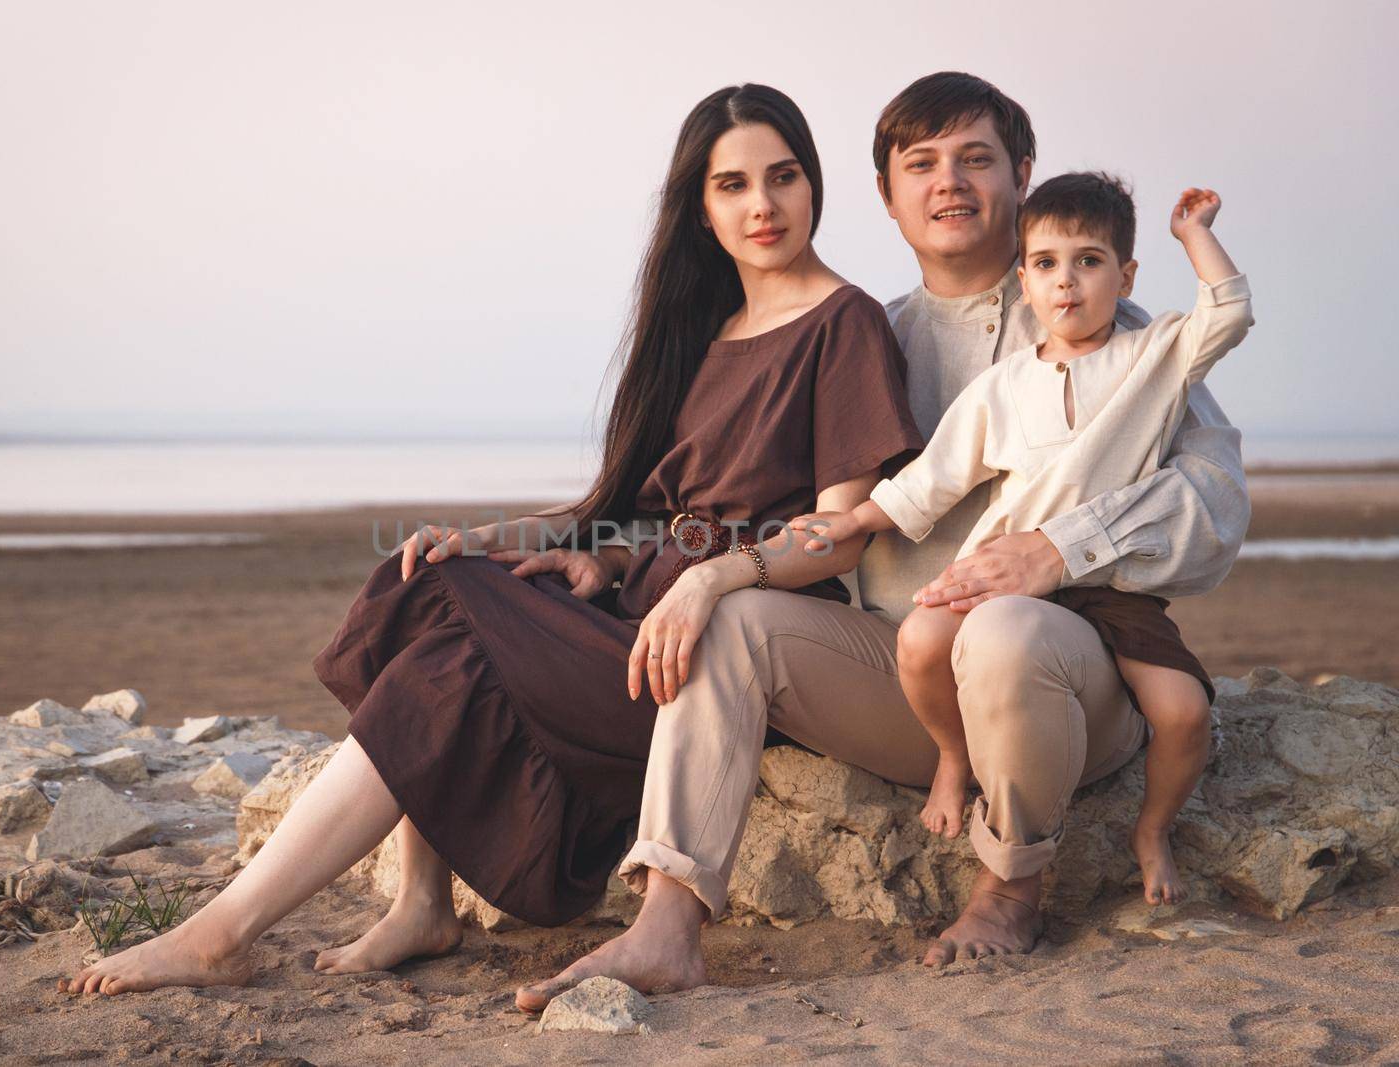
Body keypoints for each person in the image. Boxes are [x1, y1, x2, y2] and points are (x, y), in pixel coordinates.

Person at [63, 83, 921, 997]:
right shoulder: (700, 332)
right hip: (640, 603)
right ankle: (414, 905)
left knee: (450, 646)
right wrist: (486, 537)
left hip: (718, 644)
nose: (762, 205)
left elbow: (836, 535)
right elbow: (620, 509)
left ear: (815, 184)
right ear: (700, 210)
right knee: (434, 573)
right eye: (733, 185)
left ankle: (226, 933)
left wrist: (709, 580)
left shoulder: (846, 322)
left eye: (782, 177)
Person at [515, 71, 1248, 1007]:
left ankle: (1011, 886)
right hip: (908, 679)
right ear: (885, 195)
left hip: (1072, 682)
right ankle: (665, 928)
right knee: (735, 619)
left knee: (1004, 630)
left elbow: (1217, 502)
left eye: (977, 159)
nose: (950, 183)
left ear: (1023, 176)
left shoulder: (1116, 334)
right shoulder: (866, 332)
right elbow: (790, 510)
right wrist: (687, 567)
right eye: (922, 164)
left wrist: (1060, 550)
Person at [788, 172, 1253, 905]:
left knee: (1185, 713)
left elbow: (1227, 310)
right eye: (1045, 263)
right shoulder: (1003, 387)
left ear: (1124, 274)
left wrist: (1195, 234)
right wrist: (854, 519)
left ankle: (1152, 829)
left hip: (1110, 592)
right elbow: (933, 478)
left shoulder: (1156, 357)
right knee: (917, 643)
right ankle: (952, 756)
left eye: (1089, 261)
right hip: (999, 579)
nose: (1066, 282)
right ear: (1023, 281)